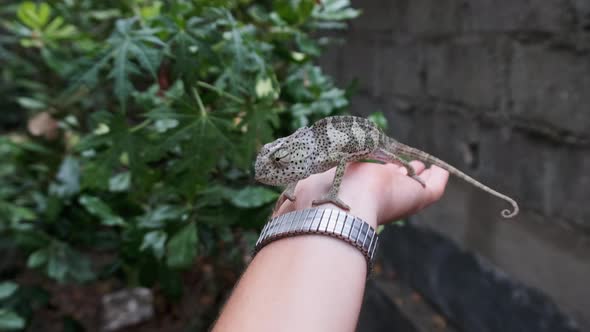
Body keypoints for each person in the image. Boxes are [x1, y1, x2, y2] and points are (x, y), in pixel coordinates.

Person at [212, 161, 450, 332]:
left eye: (279, 163)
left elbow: (340, 159)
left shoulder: (310, 157)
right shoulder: (304, 159)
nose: (272, 171)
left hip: (365, 143)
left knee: (399, 158)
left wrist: (334, 194)